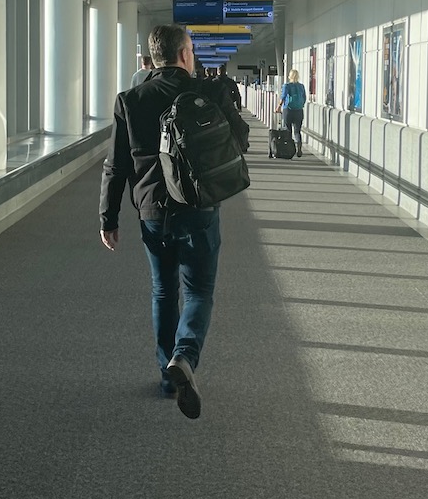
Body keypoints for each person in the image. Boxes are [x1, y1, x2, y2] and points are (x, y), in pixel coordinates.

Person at [99, 24, 250, 419]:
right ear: (185, 55)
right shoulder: (206, 92)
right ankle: (184, 357)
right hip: (198, 207)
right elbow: (239, 141)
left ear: (153, 58)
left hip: (151, 211)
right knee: (198, 291)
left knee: (164, 292)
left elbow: (116, 166)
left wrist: (108, 217)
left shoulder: (130, 99)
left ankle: (169, 378)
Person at [279, 68, 307, 157]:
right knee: (297, 131)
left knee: (288, 130)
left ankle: (290, 150)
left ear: (289, 76)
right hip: (299, 111)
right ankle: (299, 148)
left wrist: (278, 107)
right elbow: (304, 98)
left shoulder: (287, 86)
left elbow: (283, 97)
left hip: (288, 110)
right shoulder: (301, 86)